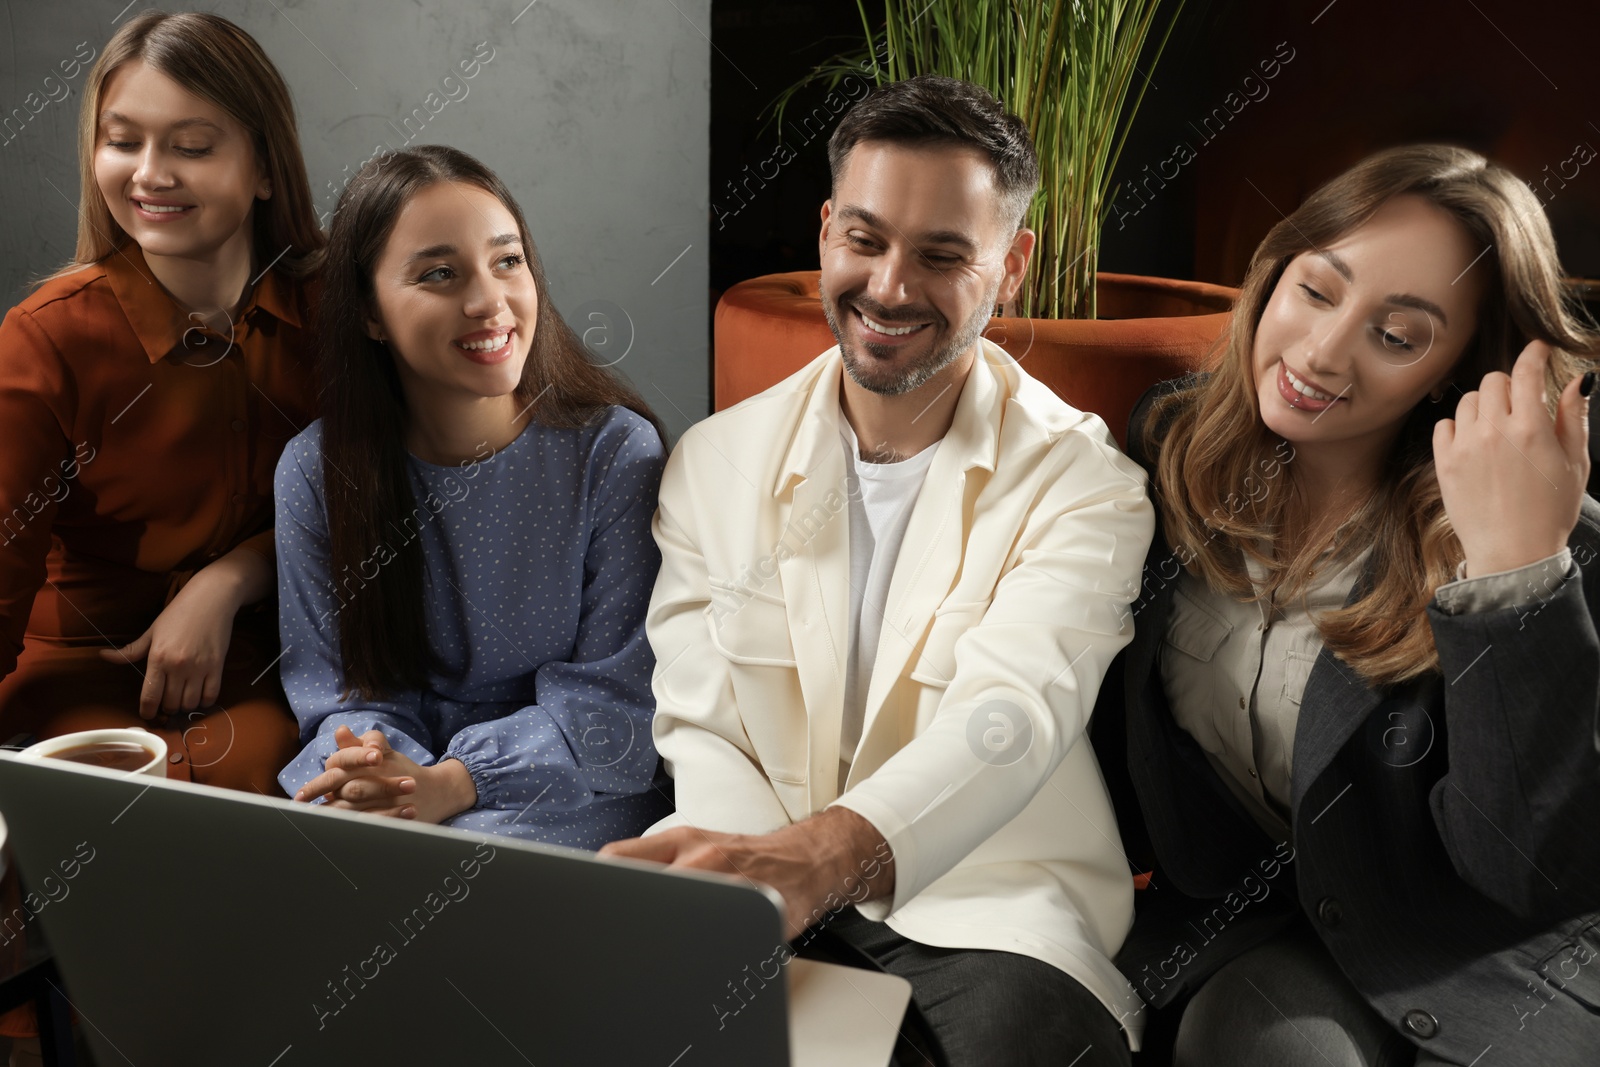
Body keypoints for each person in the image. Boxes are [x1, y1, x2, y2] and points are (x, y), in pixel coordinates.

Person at [601, 75, 1154, 1065]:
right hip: (756, 875)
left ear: (1011, 266)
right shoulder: (714, 463)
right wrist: (760, 887)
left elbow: (1014, 711)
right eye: (865, 240)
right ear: (824, 235)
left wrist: (825, 857)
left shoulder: (1083, 482)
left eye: (943, 255)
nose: (890, 287)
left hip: (992, 904)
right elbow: (704, 720)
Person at [1092, 144, 1600, 1066]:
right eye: (1317, 291)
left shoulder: (1535, 530)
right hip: (1260, 929)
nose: (1321, 354)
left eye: (1397, 335)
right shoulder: (1168, 442)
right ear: (1275, 273)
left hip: (1482, 956)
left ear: (1457, 371)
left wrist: (1511, 571)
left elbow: (1529, 869)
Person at [0, 11, 323, 1063]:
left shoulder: (335, 306)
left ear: (264, 163)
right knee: (102, 844)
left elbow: (402, 498)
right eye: (123, 137)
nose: (149, 172)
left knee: (244, 823)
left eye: (192, 143)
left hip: (272, 676)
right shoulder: (49, 337)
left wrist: (234, 573)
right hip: (80, 681)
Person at [275, 145, 672, 849]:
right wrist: (389, 780)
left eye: (507, 260)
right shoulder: (314, 471)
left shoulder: (617, 452)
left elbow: (618, 706)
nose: (489, 300)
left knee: (448, 875)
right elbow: (347, 700)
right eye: (438, 273)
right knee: (311, 862)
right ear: (369, 311)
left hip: (577, 790)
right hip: (404, 785)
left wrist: (455, 783)